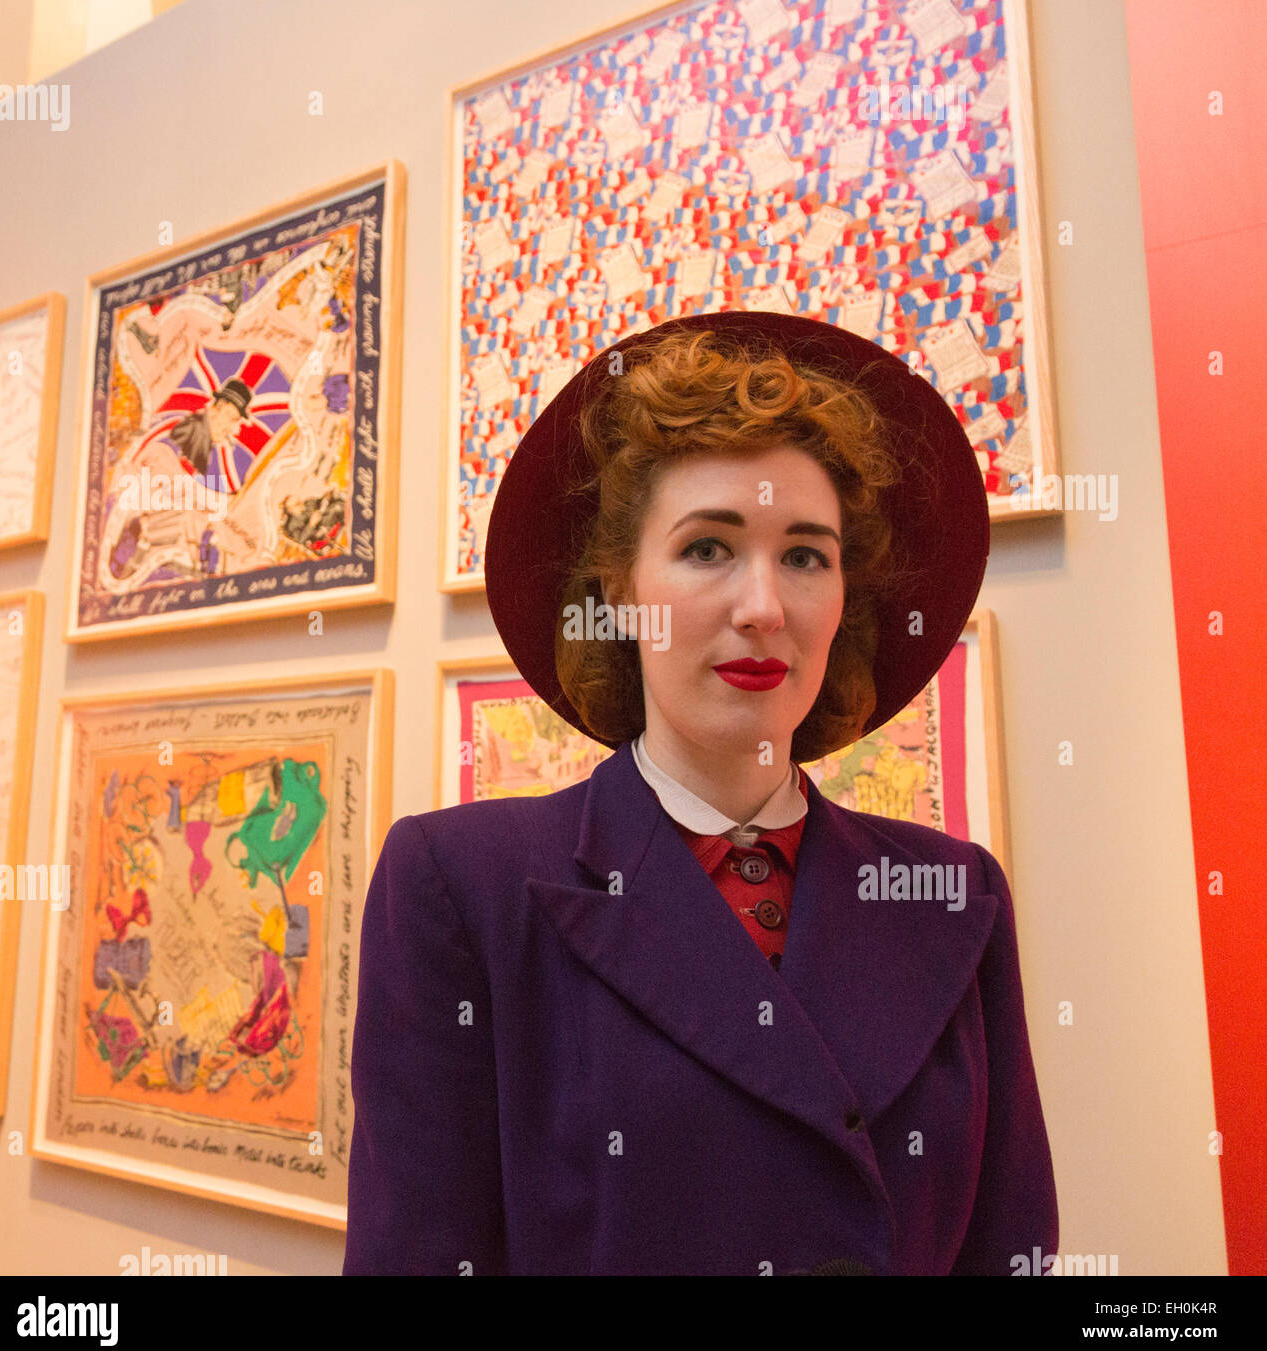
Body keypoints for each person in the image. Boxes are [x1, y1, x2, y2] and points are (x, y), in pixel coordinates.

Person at [343, 311, 1057, 1275]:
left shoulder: (955, 893)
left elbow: (1012, 1249)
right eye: (708, 549)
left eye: (806, 556)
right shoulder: (463, 888)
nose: (762, 606)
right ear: (620, 593)